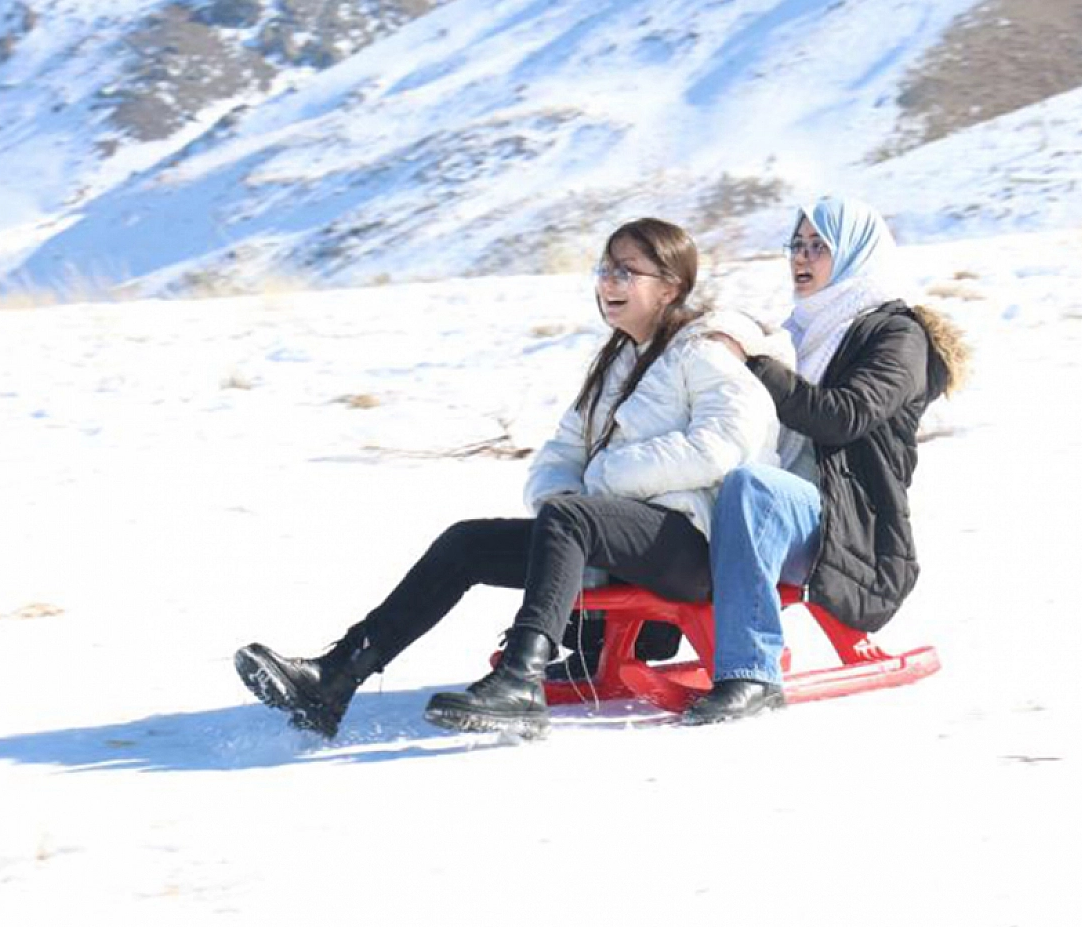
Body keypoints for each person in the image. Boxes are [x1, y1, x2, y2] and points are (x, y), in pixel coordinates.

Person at [234, 218, 791, 739]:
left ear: (669, 287)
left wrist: (607, 479)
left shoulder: (704, 352)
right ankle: (335, 677)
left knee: (571, 518)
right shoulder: (616, 362)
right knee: (468, 542)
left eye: (627, 271)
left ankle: (521, 679)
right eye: (604, 268)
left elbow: (725, 445)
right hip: (613, 530)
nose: (608, 282)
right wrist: (563, 496)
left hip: (694, 542)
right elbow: (563, 451)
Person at [683, 195, 968, 725]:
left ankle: (751, 671)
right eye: (796, 244)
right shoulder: (798, 332)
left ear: (856, 252)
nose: (801, 256)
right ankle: (602, 646)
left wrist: (756, 366)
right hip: (777, 510)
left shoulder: (898, 335)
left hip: (847, 526)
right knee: (673, 480)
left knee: (751, 487)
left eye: (819, 246)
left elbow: (845, 415)